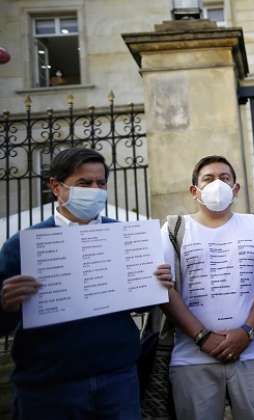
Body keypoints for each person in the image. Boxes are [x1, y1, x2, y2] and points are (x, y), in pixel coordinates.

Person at [0, 148, 173, 419]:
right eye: (84, 183)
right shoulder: (21, 246)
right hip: (49, 388)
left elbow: (143, 305)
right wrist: (6, 304)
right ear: (56, 187)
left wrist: (157, 285)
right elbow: (2, 325)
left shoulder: (126, 236)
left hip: (118, 380)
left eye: (100, 183)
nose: (95, 189)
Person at [159, 156, 254, 420]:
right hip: (192, 358)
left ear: (236, 189)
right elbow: (166, 291)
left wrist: (247, 332)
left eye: (225, 178)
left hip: (251, 353)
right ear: (195, 191)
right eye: (208, 179)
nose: (218, 184)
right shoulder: (173, 229)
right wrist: (202, 337)